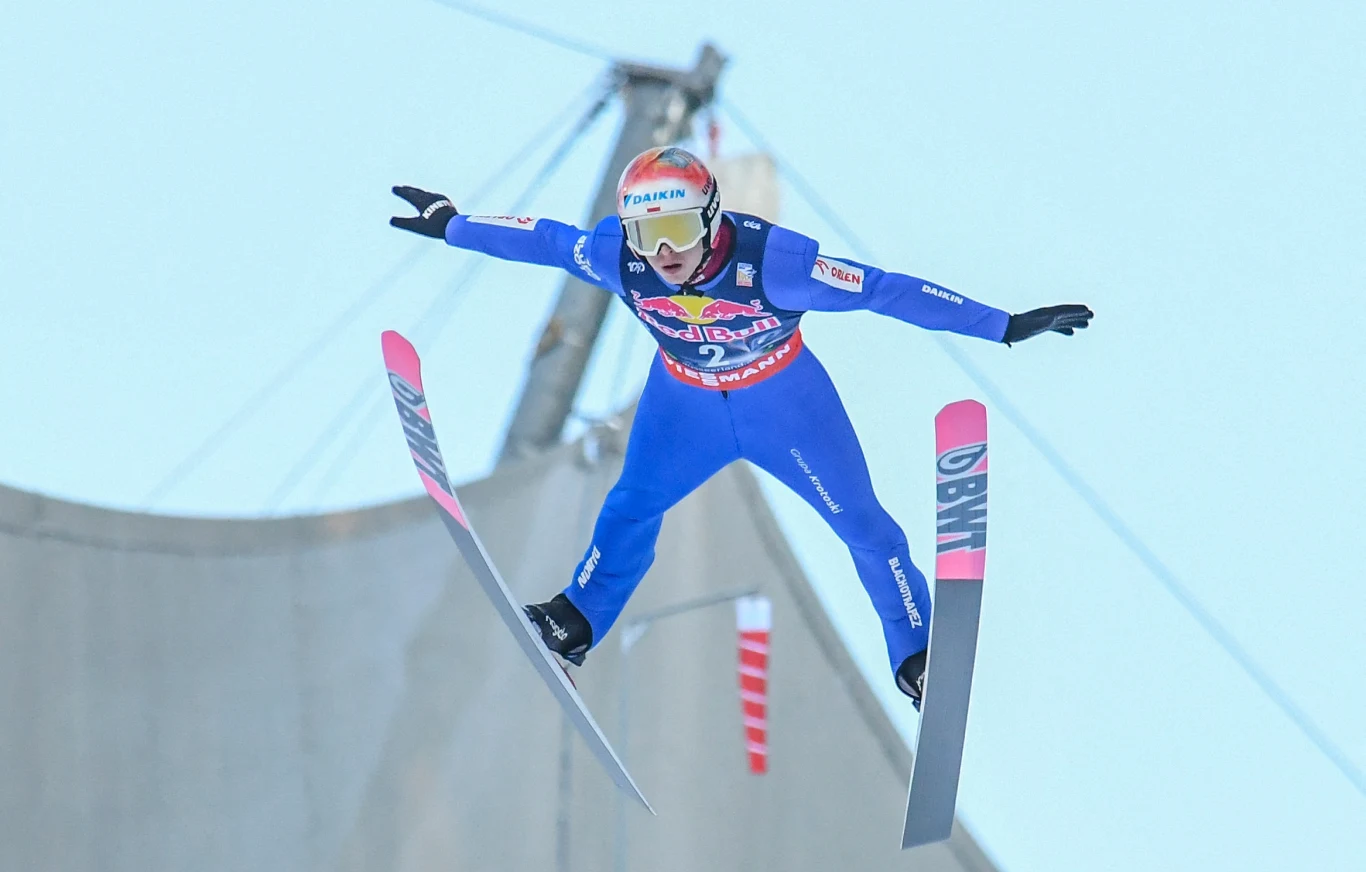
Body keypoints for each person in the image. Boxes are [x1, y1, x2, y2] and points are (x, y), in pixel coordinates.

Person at [390, 146, 1091, 708]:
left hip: (785, 404)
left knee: (865, 528)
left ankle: (915, 656)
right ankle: (577, 619)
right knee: (631, 505)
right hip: (683, 404)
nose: (661, 253)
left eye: (675, 230)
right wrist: (452, 223)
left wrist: (1001, 326)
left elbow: (884, 290)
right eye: (644, 234)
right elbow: (546, 240)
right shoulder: (621, 258)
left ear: (713, 218)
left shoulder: (778, 266)